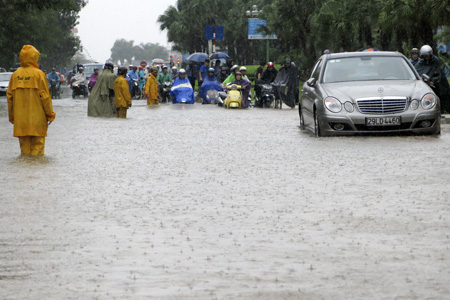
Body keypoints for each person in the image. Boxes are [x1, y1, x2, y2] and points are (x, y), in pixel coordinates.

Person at [7, 45, 56, 156]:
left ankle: (24, 172)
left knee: (25, 154)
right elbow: (45, 97)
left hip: (21, 121)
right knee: (37, 154)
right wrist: (50, 114)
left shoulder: (15, 75)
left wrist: (12, 117)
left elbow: (10, 98)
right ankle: (36, 173)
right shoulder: (39, 74)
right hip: (37, 121)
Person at [415, 45, 450, 113]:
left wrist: (434, 81)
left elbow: (438, 73)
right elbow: (417, 73)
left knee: (439, 97)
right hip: (424, 86)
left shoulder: (435, 61)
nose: (426, 57)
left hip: (436, 86)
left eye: (427, 56)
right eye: (425, 56)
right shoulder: (420, 63)